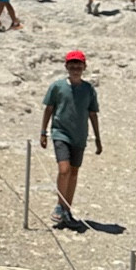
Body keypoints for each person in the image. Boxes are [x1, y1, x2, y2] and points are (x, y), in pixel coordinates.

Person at [40, 51, 102, 230]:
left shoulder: (89, 89)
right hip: (60, 133)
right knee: (64, 169)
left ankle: (67, 209)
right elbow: (49, 109)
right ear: (66, 66)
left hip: (80, 136)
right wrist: (43, 132)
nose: (76, 68)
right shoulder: (57, 87)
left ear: (84, 67)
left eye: (79, 65)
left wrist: (98, 139)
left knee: (74, 172)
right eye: (72, 65)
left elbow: (93, 114)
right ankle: (60, 205)